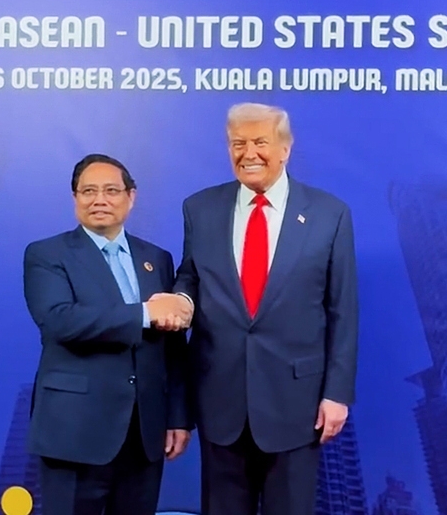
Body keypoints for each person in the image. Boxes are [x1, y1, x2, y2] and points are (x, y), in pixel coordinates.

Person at [172, 103, 359, 515]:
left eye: (260, 142)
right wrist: (181, 299)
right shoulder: (199, 209)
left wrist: (337, 394)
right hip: (220, 401)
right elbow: (190, 278)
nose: (248, 153)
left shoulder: (330, 214)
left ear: (285, 148)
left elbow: (342, 311)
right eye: (238, 143)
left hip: (297, 405)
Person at [23, 153, 193, 515]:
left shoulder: (157, 259)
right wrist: (145, 313)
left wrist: (178, 416)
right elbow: (59, 321)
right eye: (88, 191)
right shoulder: (46, 254)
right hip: (74, 433)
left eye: (111, 190)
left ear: (131, 197)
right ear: (75, 198)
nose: (99, 199)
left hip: (144, 435)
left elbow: (173, 348)